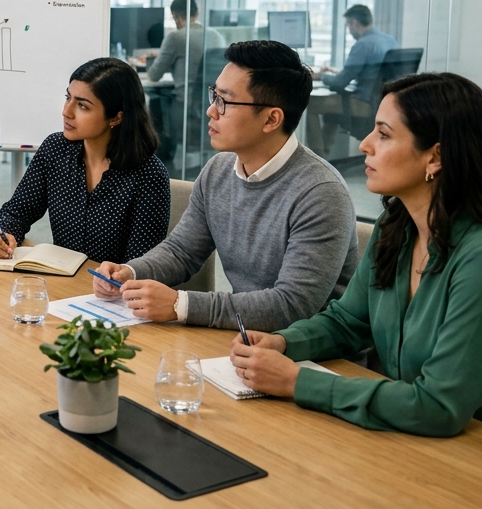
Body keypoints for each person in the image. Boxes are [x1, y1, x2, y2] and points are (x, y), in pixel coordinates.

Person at [229, 73, 482, 464]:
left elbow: (439, 404)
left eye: (383, 134)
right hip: (427, 440)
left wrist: (296, 381)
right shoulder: (398, 225)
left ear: (436, 157)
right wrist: (283, 342)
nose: (364, 144)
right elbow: (348, 322)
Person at [93, 40, 359, 332]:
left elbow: (292, 306)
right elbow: (182, 251)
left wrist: (179, 304)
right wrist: (129, 271)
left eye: (225, 101)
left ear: (272, 119)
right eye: (214, 95)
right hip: (244, 339)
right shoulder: (218, 170)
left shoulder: (320, 192)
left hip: (311, 356)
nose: (211, 111)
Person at [0, 58, 169, 265]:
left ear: (116, 118)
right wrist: (1, 234)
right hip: (61, 285)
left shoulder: (149, 175)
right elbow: (17, 212)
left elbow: (141, 265)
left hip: (113, 293)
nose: (66, 111)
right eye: (68, 97)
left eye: (82, 105)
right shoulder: (56, 149)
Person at [306, 4, 397, 156]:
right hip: (381, 102)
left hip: (363, 103)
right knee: (331, 111)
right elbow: (369, 74)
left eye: (348, 25)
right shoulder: (389, 40)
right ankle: (324, 153)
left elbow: (341, 82)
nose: (349, 30)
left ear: (355, 23)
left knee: (311, 105)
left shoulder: (363, 45)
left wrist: (321, 76)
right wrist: (335, 72)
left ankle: (317, 157)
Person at [145, 0, 226, 157]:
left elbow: (154, 74)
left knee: (153, 101)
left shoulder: (176, 37)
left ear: (174, 15)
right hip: (212, 106)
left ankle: (162, 158)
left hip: (185, 108)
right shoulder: (216, 35)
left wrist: (157, 57)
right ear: (197, 13)